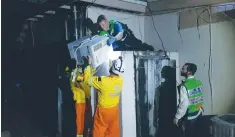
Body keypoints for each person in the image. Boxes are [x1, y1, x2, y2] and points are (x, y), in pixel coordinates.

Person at [82, 56, 124, 137]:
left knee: (98, 131)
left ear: (112, 67)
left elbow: (87, 80)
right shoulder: (120, 80)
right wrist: (119, 62)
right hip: (114, 111)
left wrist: (88, 66)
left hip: (103, 112)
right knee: (112, 133)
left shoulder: (103, 81)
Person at [173, 63, 204, 137]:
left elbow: (184, 104)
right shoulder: (198, 82)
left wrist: (177, 117)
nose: (181, 69)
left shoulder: (184, 86)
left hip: (190, 117)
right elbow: (199, 96)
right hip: (199, 113)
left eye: (183, 69)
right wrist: (200, 107)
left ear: (189, 72)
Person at [70, 66, 86, 137]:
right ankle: (79, 134)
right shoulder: (76, 72)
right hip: (80, 100)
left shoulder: (75, 72)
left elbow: (75, 83)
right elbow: (77, 83)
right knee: (80, 119)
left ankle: (79, 134)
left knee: (80, 119)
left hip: (80, 99)